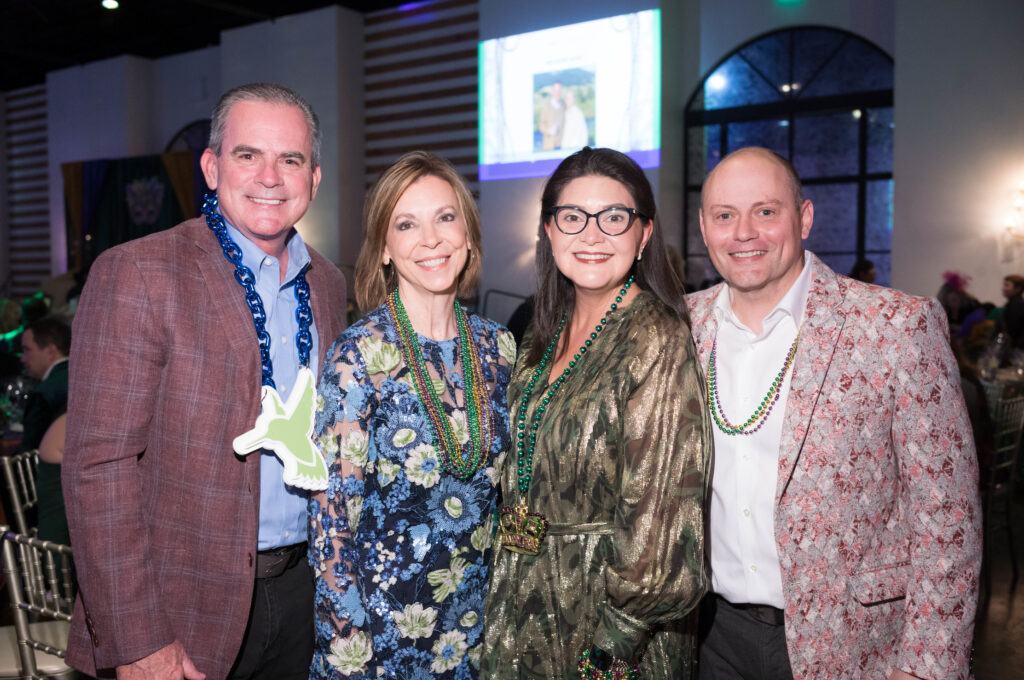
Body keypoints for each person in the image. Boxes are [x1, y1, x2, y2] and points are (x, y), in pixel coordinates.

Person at [63, 83, 348, 680]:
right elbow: (98, 469)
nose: (270, 176)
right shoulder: (138, 272)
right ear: (213, 167)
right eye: (249, 155)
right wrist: (137, 642)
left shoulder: (328, 284)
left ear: (314, 179)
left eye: (290, 159)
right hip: (179, 612)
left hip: (306, 600)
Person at [688, 147, 981, 679]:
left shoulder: (896, 326)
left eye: (766, 211)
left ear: (804, 218)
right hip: (709, 640)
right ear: (705, 228)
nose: (744, 232)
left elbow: (949, 519)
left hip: (856, 645)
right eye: (725, 215)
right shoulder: (680, 328)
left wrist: (925, 667)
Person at [482, 147, 711, 679]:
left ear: (644, 233)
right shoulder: (542, 332)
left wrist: (611, 648)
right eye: (572, 217)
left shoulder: (655, 336)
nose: (591, 235)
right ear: (549, 230)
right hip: (522, 605)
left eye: (614, 217)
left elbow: (662, 516)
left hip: (608, 631)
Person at [310, 151, 513, 679]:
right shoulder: (358, 358)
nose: (431, 239)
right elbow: (332, 520)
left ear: (468, 234)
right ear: (383, 249)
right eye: (407, 224)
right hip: (382, 642)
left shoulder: (500, 349)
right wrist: (350, 651)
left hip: (480, 632)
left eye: (446, 218)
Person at [19, 316, 71, 543]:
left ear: (50, 351)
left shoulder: (45, 392)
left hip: (53, 505)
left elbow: (26, 457)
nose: (23, 358)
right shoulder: (82, 374)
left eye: (27, 350)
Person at [539, 81, 565, 151]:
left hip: (562, 146)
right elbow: (541, 126)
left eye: (559, 90)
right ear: (552, 92)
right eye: (556, 90)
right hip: (549, 146)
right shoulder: (546, 106)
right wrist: (549, 131)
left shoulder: (563, 105)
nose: (557, 93)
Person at [1000, 273, 1024, 348]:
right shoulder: (1014, 304)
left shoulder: (1016, 305)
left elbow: (1012, 330)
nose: (1003, 288)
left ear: (1018, 288)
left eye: (1007, 285)